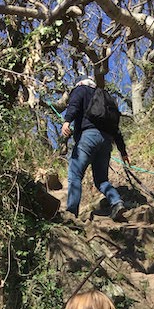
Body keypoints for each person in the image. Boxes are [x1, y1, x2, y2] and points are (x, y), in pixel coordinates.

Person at [61, 77, 130, 221]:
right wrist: (123, 152)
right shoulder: (106, 98)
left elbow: (74, 105)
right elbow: (116, 128)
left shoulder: (81, 89)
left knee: (75, 174)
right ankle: (116, 202)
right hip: (106, 141)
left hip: (88, 137)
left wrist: (67, 121)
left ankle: (71, 213)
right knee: (101, 180)